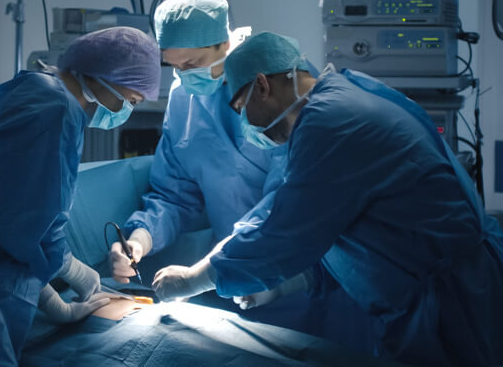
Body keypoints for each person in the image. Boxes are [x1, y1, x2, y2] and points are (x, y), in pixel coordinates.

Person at [154, 31, 503, 366]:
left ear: (262, 86)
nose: (244, 121)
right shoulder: (336, 100)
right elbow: (340, 226)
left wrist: (192, 280)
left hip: (451, 303)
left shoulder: (331, 124)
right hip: (433, 292)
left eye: (241, 106)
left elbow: (282, 236)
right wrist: (282, 285)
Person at [108, 0, 373, 351]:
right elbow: (175, 192)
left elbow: (285, 207)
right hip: (233, 280)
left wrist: (203, 276)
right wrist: (141, 238)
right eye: (175, 66)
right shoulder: (185, 97)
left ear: (226, 42)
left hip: (304, 274)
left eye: (194, 62)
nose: (185, 76)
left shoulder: (286, 90)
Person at [0, 26, 161, 367]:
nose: (130, 109)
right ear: (105, 77)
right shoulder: (56, 110)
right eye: (133, 99)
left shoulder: (30, 89)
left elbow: (7, 215)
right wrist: (73, 269)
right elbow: (26, 227)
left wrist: (54, 303)